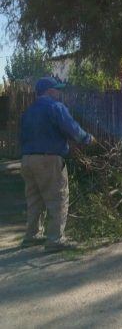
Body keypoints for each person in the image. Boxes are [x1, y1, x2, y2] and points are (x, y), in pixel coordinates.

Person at [20, 77, 95, 252]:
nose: (59, 92)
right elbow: (71, 128)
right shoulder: (55, 107)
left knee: (34, 199)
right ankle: (55, 239)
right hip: (49, 159)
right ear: (49, 91)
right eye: (57, 89)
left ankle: (32, 236)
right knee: (58, 198)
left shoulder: (28, 111)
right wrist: (88, 138)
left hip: (27, 159)